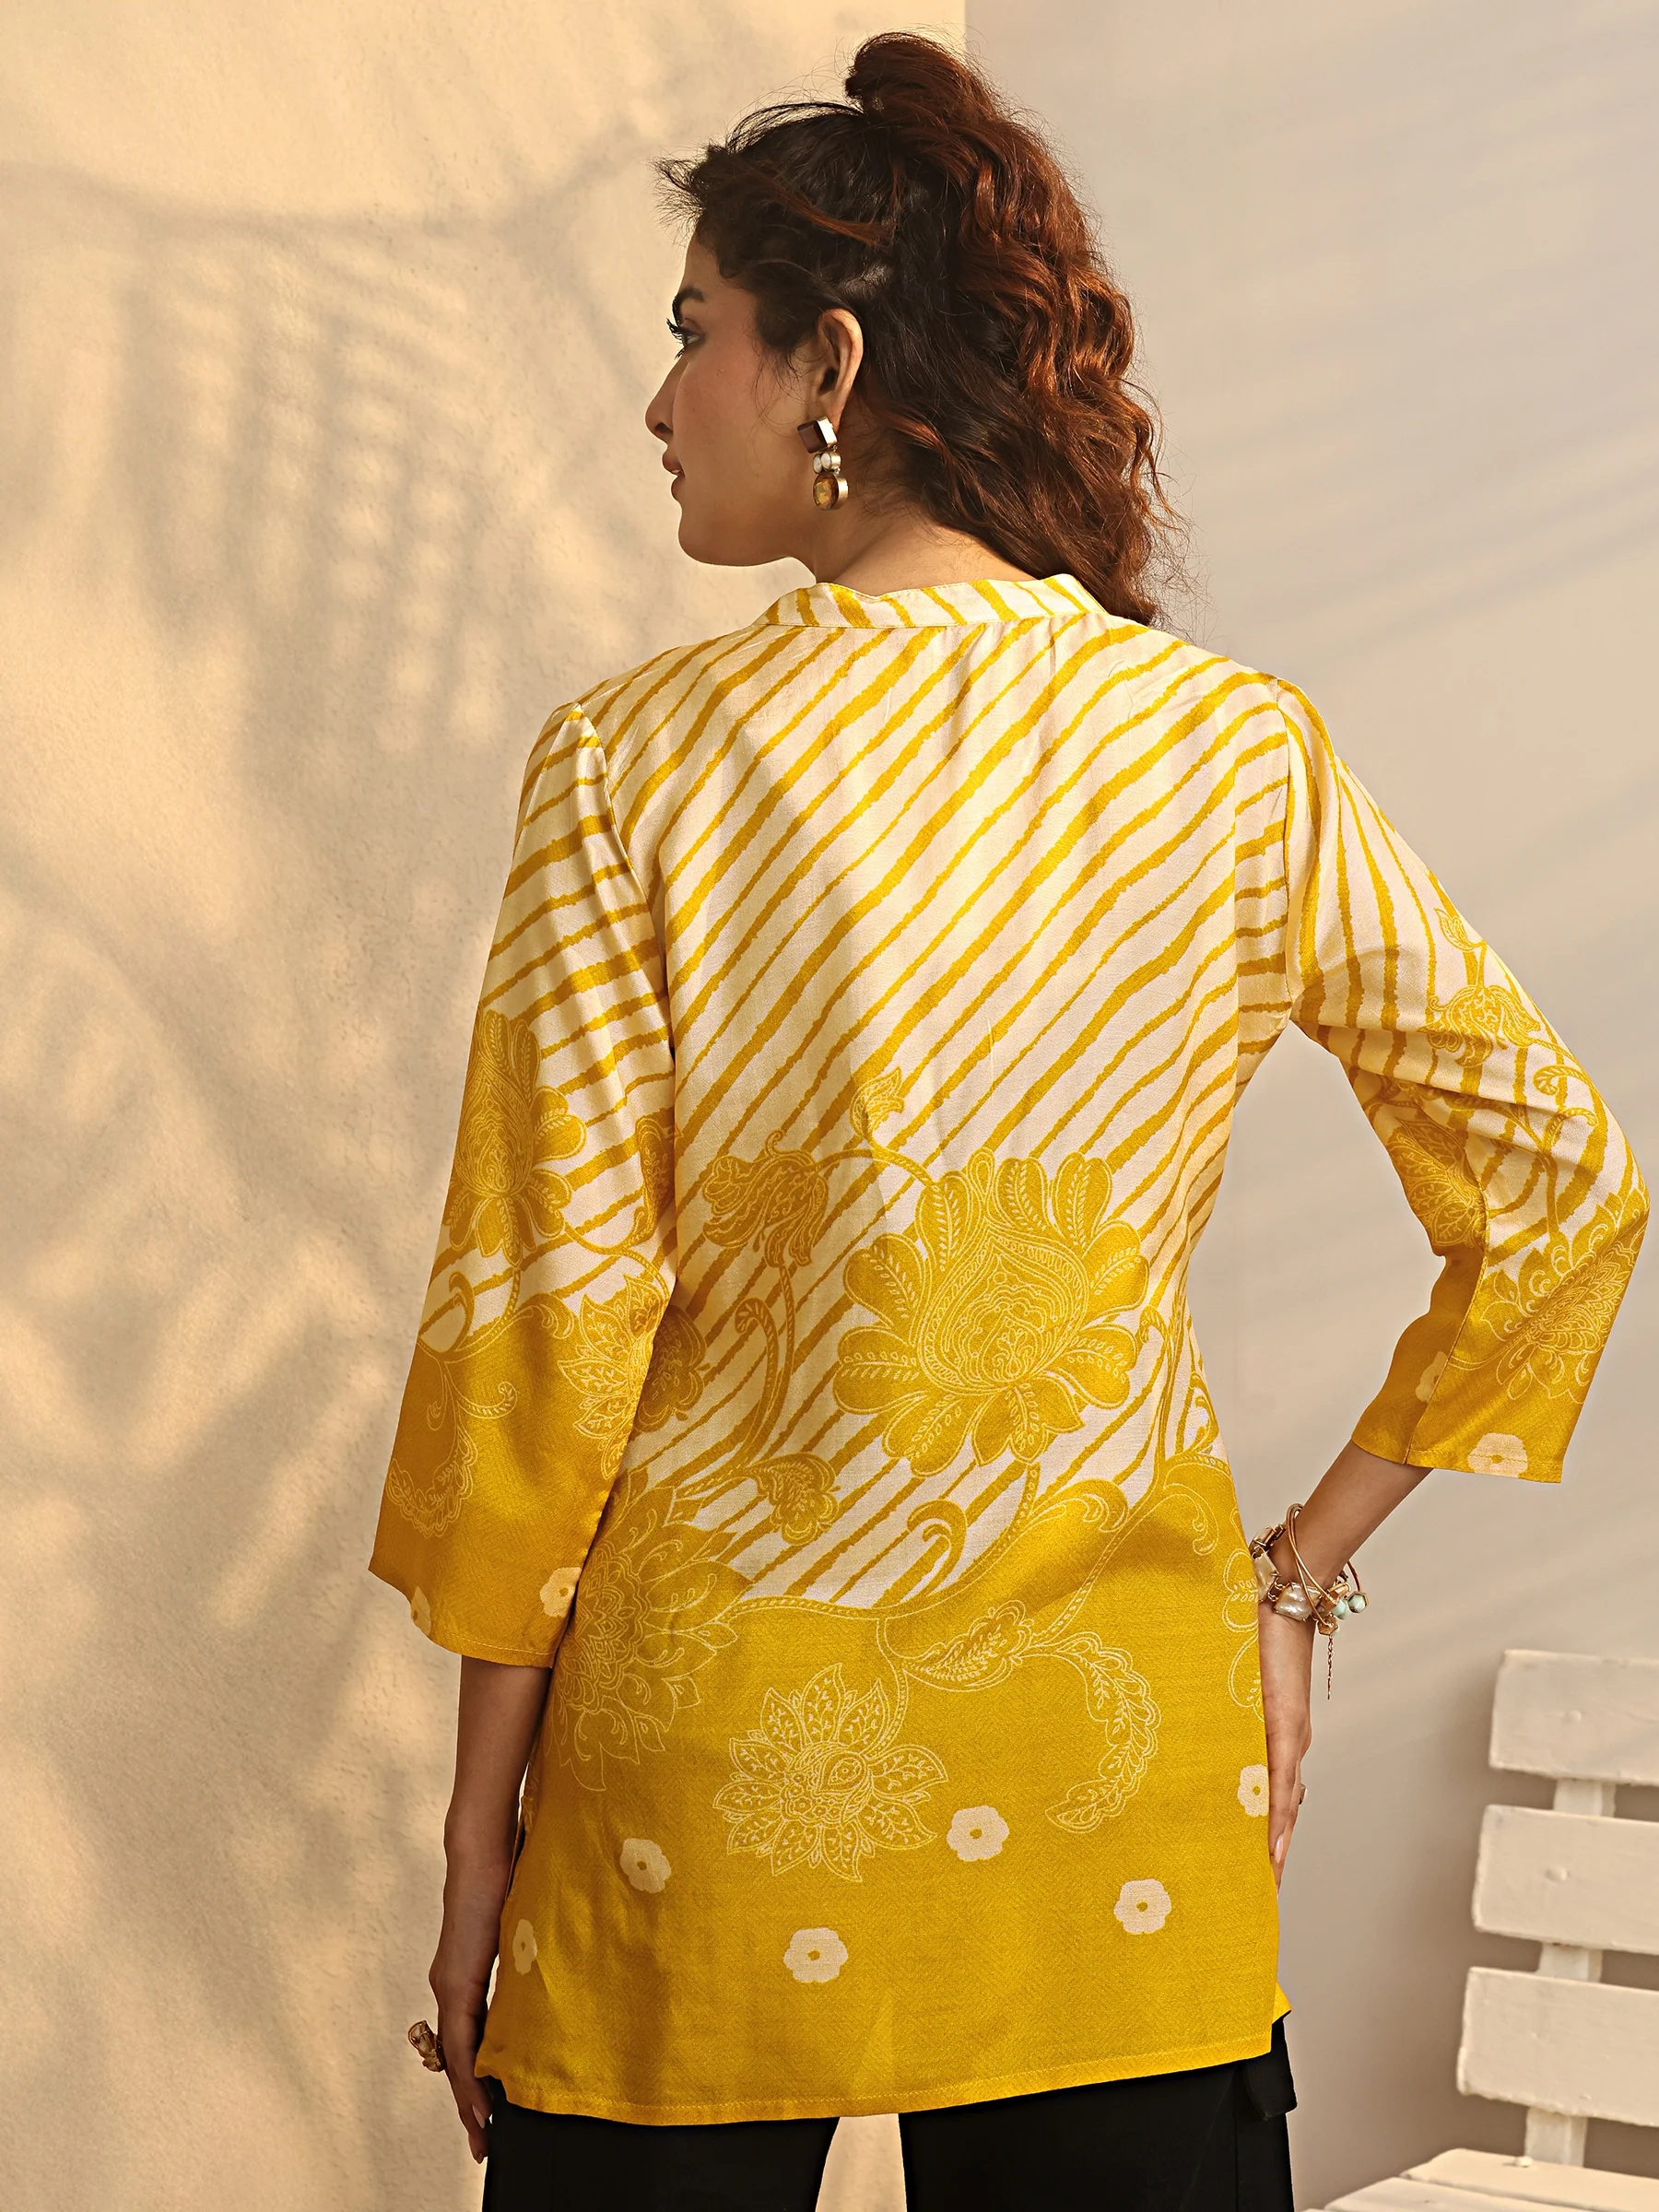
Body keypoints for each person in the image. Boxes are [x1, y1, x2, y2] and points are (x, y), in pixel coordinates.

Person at [368, 32, 1646, 2211]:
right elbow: (1561, 1181)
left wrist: (481, 1831)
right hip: (1113, 1783)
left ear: (829, 365)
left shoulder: (633, 764)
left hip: (710, 1786)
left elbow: (545, 1329)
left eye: (694, 331)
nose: (661, 401)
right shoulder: (1229, 752)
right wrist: (1298, 1585)